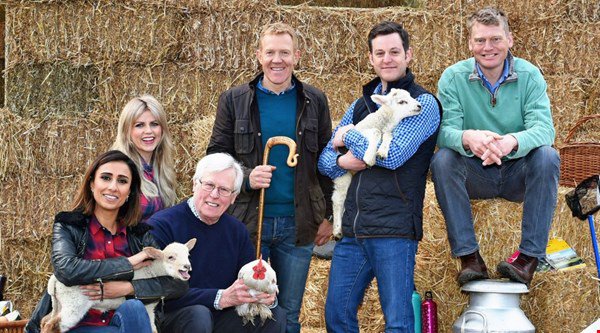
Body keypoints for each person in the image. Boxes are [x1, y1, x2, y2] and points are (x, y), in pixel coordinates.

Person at [206, 22, 333, 333]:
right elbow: (214, 157)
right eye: (271, 53)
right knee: (247, 309)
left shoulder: (314, 100)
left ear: (297, 56)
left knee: (288, 314)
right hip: (248, 223)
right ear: (259, 55)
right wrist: (247, 176)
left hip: (298, 224)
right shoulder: (234, 100)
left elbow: (327, 162)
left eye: (285, 53)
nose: (278, 60)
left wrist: (329, 215)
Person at [318, 21, 441, 332]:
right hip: (353, 231)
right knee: (337, 316)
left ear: (408, 55)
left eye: (395, 52)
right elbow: (325, 162)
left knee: (398, 323)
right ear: (371, 59)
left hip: (394, 229)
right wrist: (346, 158)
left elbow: (392, 155)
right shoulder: (360, 105)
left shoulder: (422, 104)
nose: (387, 59)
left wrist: (349, 136)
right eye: (380, 53)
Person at [430, 7, 560, 286]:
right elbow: (442, 131)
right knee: (442, 160)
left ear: (510, 40)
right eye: (480, 40)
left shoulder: (530, 75)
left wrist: (512, 142)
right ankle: (470, 257)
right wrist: (468, 138)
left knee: (548, 156)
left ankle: (527, 259)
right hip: (475, 174)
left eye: (495, 39)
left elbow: (545, 129)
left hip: (518, 174)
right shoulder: (453, 77)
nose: (488, 47)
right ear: (469, 44)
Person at [25, 150, 187, 333]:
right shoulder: (69, 225)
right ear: (92, 184)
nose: (113, 187)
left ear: (130, 192)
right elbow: (66, 270)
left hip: (123, 324)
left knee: (134, 308)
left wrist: (129, 288)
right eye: (106, 178)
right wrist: (128, 263)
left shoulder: (140, 235)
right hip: (77, 326)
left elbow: (177, 283)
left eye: (122, 181)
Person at [147, 153, 286, 333]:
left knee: (275, 315)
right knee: (199, 315)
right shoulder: (162, 225)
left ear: (234, 197)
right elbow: (158, 288)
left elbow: (246, 282)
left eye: (224, 190)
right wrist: (220, 297)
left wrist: (263, 295)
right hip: (174, 315)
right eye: (209, 185)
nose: (214, 195)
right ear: (194, 184)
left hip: (221, 315)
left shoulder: (237, 231)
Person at [112, 95, 177, 222]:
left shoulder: (160, 167)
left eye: (154, 124)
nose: (148, 131)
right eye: (139, 125)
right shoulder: (119, 168)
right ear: (126, 131)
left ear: (162, 129)